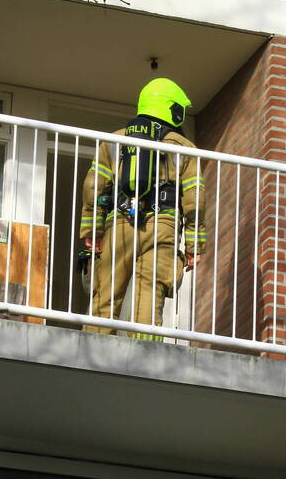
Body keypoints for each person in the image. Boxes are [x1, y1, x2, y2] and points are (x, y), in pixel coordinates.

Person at [79, 78, 206, 335]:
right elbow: (195, 200)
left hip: (119, 221)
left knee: (106, 292)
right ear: (173, 109)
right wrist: (195, 245)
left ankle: (91, 350)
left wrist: (92, 229)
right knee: (149, 292)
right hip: (163, 226)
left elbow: (94, 186)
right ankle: (144, 353)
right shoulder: (184, 148)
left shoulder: (113, 140)